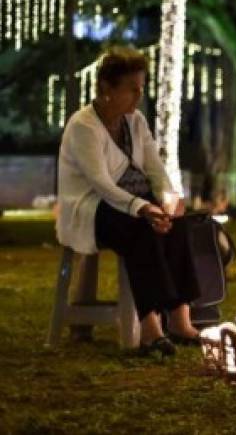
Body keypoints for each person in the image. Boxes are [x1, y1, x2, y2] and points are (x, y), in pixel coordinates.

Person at [56, 47, 199, 357]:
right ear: (107, 89)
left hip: (133, 203)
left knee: (176, 224)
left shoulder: (135, 122)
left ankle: (179, 319)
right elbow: (101, 184)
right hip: (92, 209)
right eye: (131, 89)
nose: (138, 97)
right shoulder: (84, 126)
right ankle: (150, 328)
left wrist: (167, 201)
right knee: (140, 229)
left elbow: (154, 168)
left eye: (141, 89)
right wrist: (143, 208)